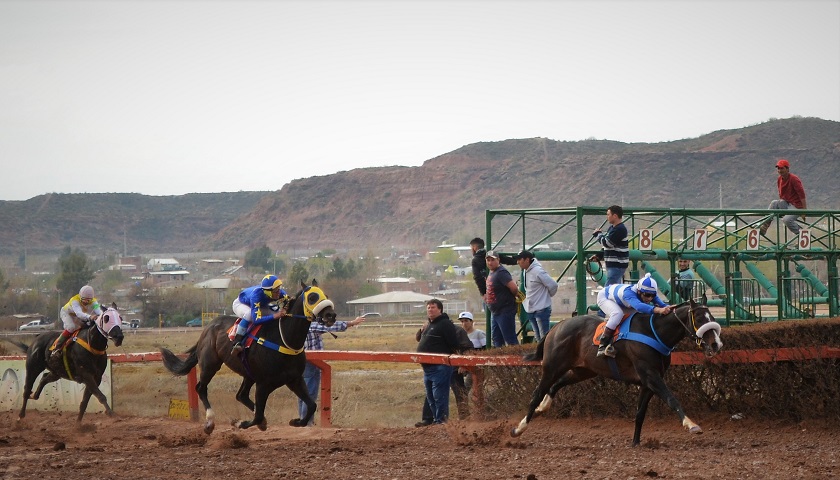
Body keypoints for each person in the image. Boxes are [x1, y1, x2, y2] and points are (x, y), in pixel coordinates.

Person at [298, 315, 365, 426]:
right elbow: (331, 326)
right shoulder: (311, 325)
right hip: (312, 362)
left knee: (302, 393)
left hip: (302, 361)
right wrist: (353, 322)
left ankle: (303, 420)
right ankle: (306, 423)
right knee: (310, 393)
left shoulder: (299, 325)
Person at [595, 273, 672, 358]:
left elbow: (662, 304)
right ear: (639, 291)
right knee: (617, 314)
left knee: (638, 316)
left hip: (622, 302)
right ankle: (602, 345)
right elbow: (639, 306)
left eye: (652, 295)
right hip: (605, 297)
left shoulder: (646, 291)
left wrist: (669, 308)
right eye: (647, 295)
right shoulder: (629, 293)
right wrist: (659, 310)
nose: (650, 298)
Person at [416, 299, 464, 425]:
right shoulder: (429, 324)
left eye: (433, 307)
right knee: (431, 396)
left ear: (440, 309)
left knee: (439, 395)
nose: (430, 310)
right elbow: (419, 339)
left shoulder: (445, 324)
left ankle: (441, 421)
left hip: (440, 366)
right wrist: (422, 330)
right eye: (428, 308)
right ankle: (435, 420)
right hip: (427, 367)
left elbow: (453, 343)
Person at [231, 274, 288, 354]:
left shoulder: (279, 293)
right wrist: (276, 316)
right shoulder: (256, 296)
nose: (279, 292)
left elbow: (289, 301)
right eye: (276, 291)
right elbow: (256, 320)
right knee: (249, 314)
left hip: (259, 305)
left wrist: (285, 309)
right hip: (241, 304)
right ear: (268, 291)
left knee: (275, 311)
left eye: (279, 289)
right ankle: (237, 341)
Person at [516, 250, 559, 342]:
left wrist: (546, 297)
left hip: (541, 309)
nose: (518, 262)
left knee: (544, 337)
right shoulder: (526, 271)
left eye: (520, 259)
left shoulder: (538, 271)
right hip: (531, 309)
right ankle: (541, 355)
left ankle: (545, 355)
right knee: (539, 337)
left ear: (527, 260)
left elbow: (553, 285)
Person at [50, 285, 103, 357]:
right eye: (84, 299)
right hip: (67, 313)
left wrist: (102, 316)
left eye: (89, 300)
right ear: (80, 297)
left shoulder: (94, 301)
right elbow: (79, 314)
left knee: (86, 326)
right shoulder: (74, 300)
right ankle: (57, 347)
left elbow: (98, 310)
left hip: (77, 315)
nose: (86, 302)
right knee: (71, 327)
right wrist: (90, 317)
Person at [759, 159, 807, 236]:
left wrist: (804, 211)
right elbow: (781, 195)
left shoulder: (794, 179)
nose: (780, 170)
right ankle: (764, 227)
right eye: (778, 168)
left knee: (787, 220)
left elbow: (802, 194)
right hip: (787, 204)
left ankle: (802, 236)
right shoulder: (779, 180)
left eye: (782, 168)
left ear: (787, 169)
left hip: (796, 207)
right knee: (774, 203)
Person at [485, 250, 520, 347]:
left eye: (492, 260)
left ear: (498, 260)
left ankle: (517, 360)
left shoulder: (501, 272)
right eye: (488, 260)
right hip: (495, 312)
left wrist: (512, 297)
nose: (490, 262)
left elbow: (514, 288)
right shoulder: (492, 272)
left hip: (505, 310)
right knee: (496, 339)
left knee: (510, 339)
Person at [592, 205, 629, 287]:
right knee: (614, 289)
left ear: (615, 216)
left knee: (608, 290)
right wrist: (600, 255)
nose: (607, 217)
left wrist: (598, 234)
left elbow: (607, 243)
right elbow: (607, 245)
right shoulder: (612, 228)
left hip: (617, 265)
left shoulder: (619, 229)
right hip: (614, 265)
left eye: (608, 214)